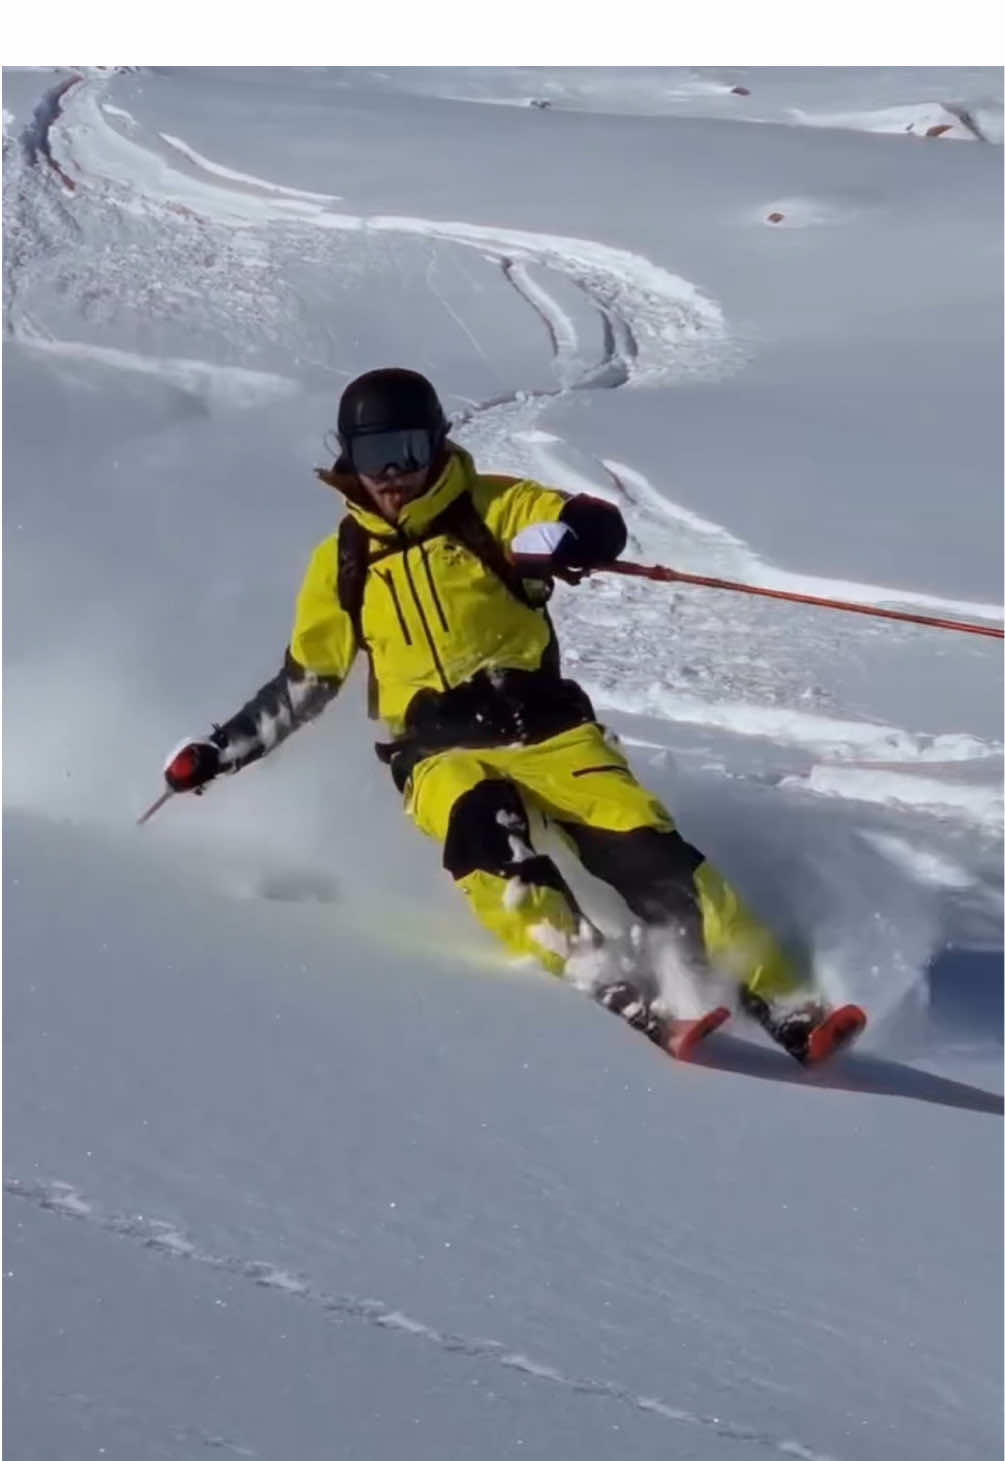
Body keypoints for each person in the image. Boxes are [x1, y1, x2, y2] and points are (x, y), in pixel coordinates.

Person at [162, 367, 827, 1060]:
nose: (391, 472)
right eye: (371, 455)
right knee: (480, 830)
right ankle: (601, 969)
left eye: (408, 450)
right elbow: (306, 681)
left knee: (644, 848)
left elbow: (592, 520)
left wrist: (573, 538)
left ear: (437, 444)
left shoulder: (491, 506)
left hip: (545, 727)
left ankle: (781, 1000)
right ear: (347, 460)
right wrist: (217, 751)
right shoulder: (344, 561)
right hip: (434, 751)